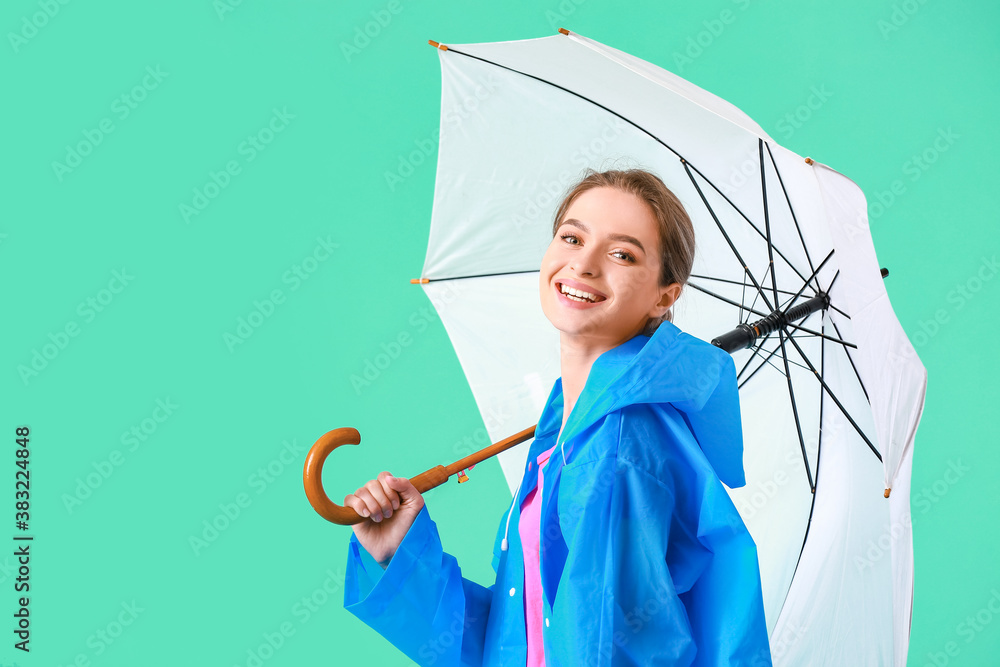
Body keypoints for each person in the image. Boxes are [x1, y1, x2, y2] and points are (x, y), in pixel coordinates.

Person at [341, 168, 772, 666]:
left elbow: (605, 646)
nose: (584, 264)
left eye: (622, 254)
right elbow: (515, 642)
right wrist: (402, 556)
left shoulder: (620, 441)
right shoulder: (564, 435)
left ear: (664, 296)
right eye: (571, 237)